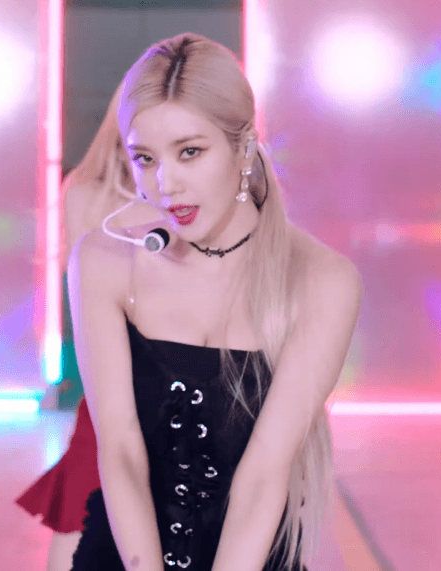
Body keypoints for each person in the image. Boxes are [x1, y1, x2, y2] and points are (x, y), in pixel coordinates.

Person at [67, 32, 361, 571]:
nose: (166, 185)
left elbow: (263, 474)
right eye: (144, 158)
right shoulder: (103, 262)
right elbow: (121, 447)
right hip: (127, 554)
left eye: (190, 152)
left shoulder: (322, 281)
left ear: (243, 148)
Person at [16, 81, 161, 571]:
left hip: (178, 366)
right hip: (115, 364)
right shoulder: (85, 191)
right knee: (83, 500)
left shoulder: (182, 196)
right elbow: (90, 284)